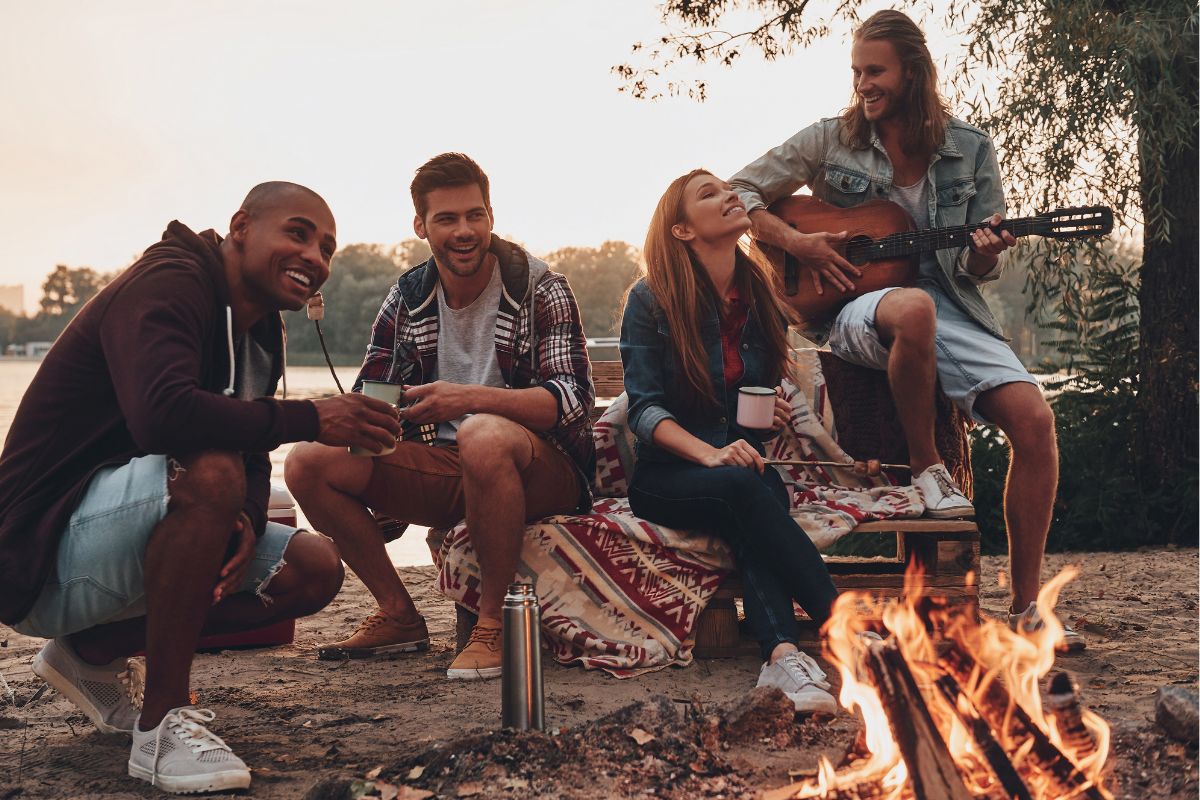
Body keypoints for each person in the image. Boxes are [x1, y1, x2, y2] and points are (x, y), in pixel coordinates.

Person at [0, 181, 405, 794]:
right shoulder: (168, 282)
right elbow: (162, 415)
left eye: (327, 248)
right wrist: (312, 418)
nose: (316, 259)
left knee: (314, 567)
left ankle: (90, 652)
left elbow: (253, 455)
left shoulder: (261, 327)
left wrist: (240, 515)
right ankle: (160, 726)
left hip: (120, 534)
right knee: (209, 470)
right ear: (240, 227)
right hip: (38, 552)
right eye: (298, 233)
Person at [728, 9, 1083, 651]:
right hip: (856, 308)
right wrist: (801, 244)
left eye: (875, 71)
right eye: (856, 71)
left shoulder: (970, 148)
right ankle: (927, 469)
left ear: (913, 73)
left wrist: (987, 249)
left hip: (952, 303)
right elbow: (740, 193)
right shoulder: (829, 139)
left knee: (1035, 423)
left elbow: (978, 263)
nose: (863, 83)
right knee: (911, 306)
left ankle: (1028, 607)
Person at [285, 152, 595, 680]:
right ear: (421, 225)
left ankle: (493, 625)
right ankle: (399, 615)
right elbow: (370, 396)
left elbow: (569, 401)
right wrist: (378, 413)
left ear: (491, 216)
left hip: (543, 470)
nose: (464, 230)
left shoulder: (540, 287)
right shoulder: (406, 297)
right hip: (446, 465)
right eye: (447, 219)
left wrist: (467, 398)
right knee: (306, 462)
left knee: (482, 434)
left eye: (475, 215)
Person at [621, 168, 841, 714]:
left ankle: (784, 657)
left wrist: (773, 414)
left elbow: (751, 405)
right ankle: (847, 628)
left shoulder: (758, 294)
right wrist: (711, 454)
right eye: (709, 194)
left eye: (728, 189)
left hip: (743, 473)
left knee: (753, 495)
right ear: (682, 231)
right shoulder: (651, 300)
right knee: (748, 490)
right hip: (668, 477)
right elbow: (644, 411)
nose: (730, 196)